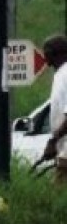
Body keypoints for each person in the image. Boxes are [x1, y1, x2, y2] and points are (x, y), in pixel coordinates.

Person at [40, 35, 67, 185]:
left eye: (47, 51)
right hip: (64, 150)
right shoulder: (60, 74)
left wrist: (53, 140)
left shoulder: (66, 74)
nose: (44, 55)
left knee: (58, 195)